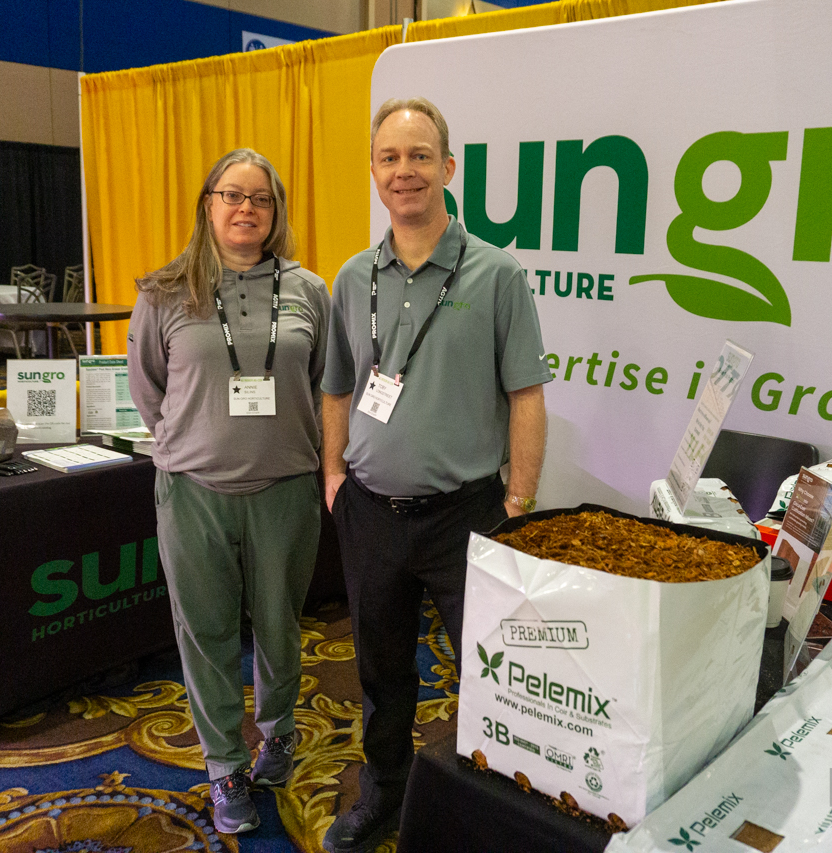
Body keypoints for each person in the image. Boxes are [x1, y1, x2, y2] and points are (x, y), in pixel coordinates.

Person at [320, 98, 552, 853]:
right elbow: (337, 387)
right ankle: (383, 792)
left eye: (420, 155)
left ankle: (495, 813)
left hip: (468, 516)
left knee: (492, 672)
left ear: (448, 168)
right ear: (374, 172)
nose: (405, 171)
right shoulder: (353, 278)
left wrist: (519, 500)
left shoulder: (497, 273)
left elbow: (526, 396)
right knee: (381, 672)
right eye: (389, 158)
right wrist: (332, 474)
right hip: (370, 511)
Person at [127, 148, 329, 835]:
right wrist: (190, 443)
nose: (246, 208)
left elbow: (324, 384)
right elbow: (149, 389)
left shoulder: (310, 289)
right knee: (205, 633)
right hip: (193, 493)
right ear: (207, 205)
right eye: (232, 195)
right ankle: (224, 767)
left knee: (280, 626)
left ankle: (279, 733)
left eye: (260, 198)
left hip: (286, 490)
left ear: (276, 212)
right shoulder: (164, 291)